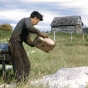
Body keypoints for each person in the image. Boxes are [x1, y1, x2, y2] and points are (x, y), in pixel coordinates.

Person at [9, 11, 48, 83]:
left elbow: (27, 40)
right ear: (34, 18)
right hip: (14, 43)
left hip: (19, 44)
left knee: (26, 63)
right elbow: (29, 27)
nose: (37, 23)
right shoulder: (26, 20)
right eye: (38, 21)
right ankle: (19, 82)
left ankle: (24, 81)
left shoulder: (28, 29)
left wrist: (37, 44)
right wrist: (40, 33)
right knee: (18, 63)